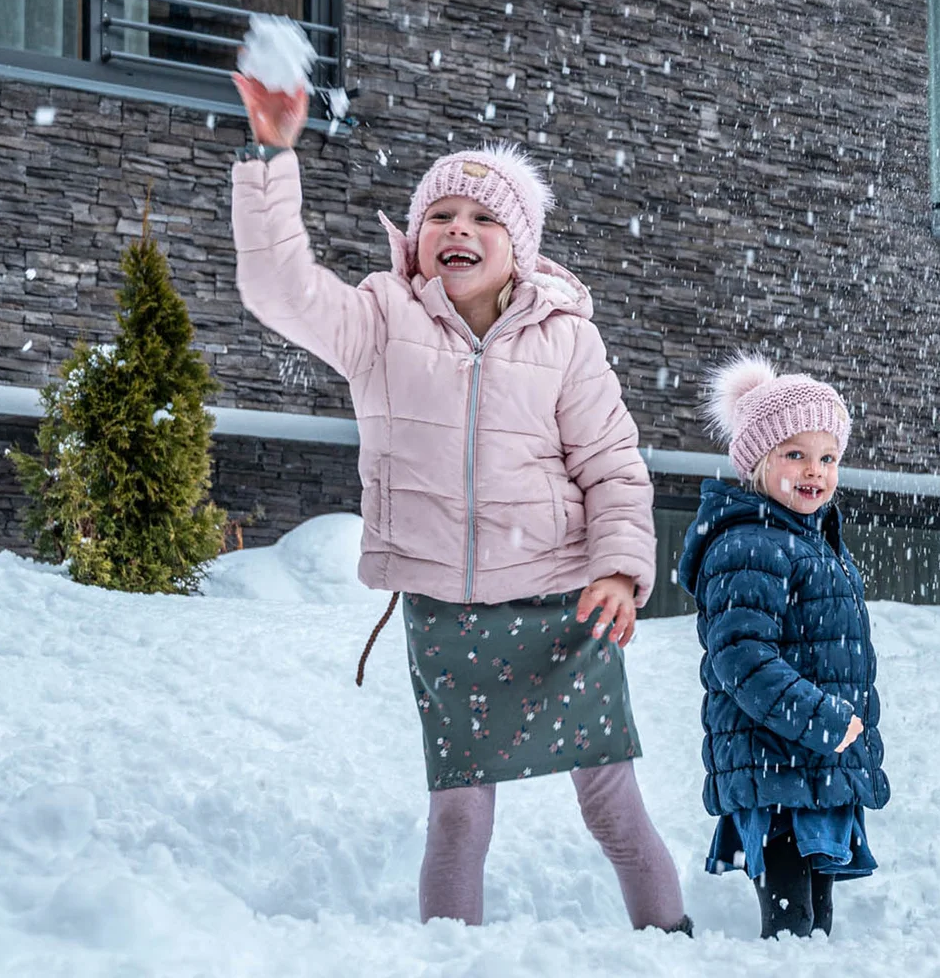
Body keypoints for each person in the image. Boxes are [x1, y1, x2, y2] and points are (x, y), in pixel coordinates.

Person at [228, 74, 688, 932]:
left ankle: (675, 946)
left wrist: (622, 571)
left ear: (522, 246)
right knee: (459, 814)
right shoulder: (379, 321)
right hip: (450, 611)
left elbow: (614, 467)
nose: (459, 231)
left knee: (611, 805)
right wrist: (269, 156)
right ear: (414, 239)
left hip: (564, 602)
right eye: (440, 216)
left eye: (484, 219)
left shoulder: (566, 338)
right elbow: (278, 288)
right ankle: (447, 957)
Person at [675, 355, 889, 938]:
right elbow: (742, 659)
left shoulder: (815, 542)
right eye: (794, 454)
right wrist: (823, 718)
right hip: (775, 764)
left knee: (816, 925)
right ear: (757, 461)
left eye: (827, 458)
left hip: (812, 762)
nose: (813, 471)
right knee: (793, 929)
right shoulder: (750, 545)